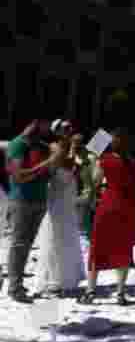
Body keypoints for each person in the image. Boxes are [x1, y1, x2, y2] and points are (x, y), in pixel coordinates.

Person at [81, 128, 135, 305]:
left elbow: (94, 182)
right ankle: (120, 293)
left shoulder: (104, 161)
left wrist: (87, 167)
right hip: (128, 207)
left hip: (108, 204)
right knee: (124, 249)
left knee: (98, 248)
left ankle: (90, 291)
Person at [4, 119, 64, 303]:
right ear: (31, 124)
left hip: (39, 200)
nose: (44, 132)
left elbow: (51, 172)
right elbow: (19, 176)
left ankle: (18, 284)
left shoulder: (40, 145)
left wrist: (57, 158)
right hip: (21, 200)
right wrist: (48, 162)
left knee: (26, 245)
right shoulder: (17, 145)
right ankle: (14, 287)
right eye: (41, 127)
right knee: (19, 245)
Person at [34, 120, 86, 297]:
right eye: (66, 129)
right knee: (56, 235)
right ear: (57, 132)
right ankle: (54, 279)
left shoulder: (71, 148)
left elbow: (75, 170)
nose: (70, 131)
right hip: (57, 197)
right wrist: (73, 149)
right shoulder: (55, 146)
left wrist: (77, 154)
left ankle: (68, 277)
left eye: (71, 128)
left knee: (69, 233)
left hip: (67, 196)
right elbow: (65, 165)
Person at [72, 131, 101, 237]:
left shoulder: (91, 158)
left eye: (78, 142)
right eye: (74, 142)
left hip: (85, 198)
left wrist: (92, 197)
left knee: (82, 232)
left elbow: (96, 179)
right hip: (72, 197)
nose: (76, 145)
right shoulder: (69, 156)